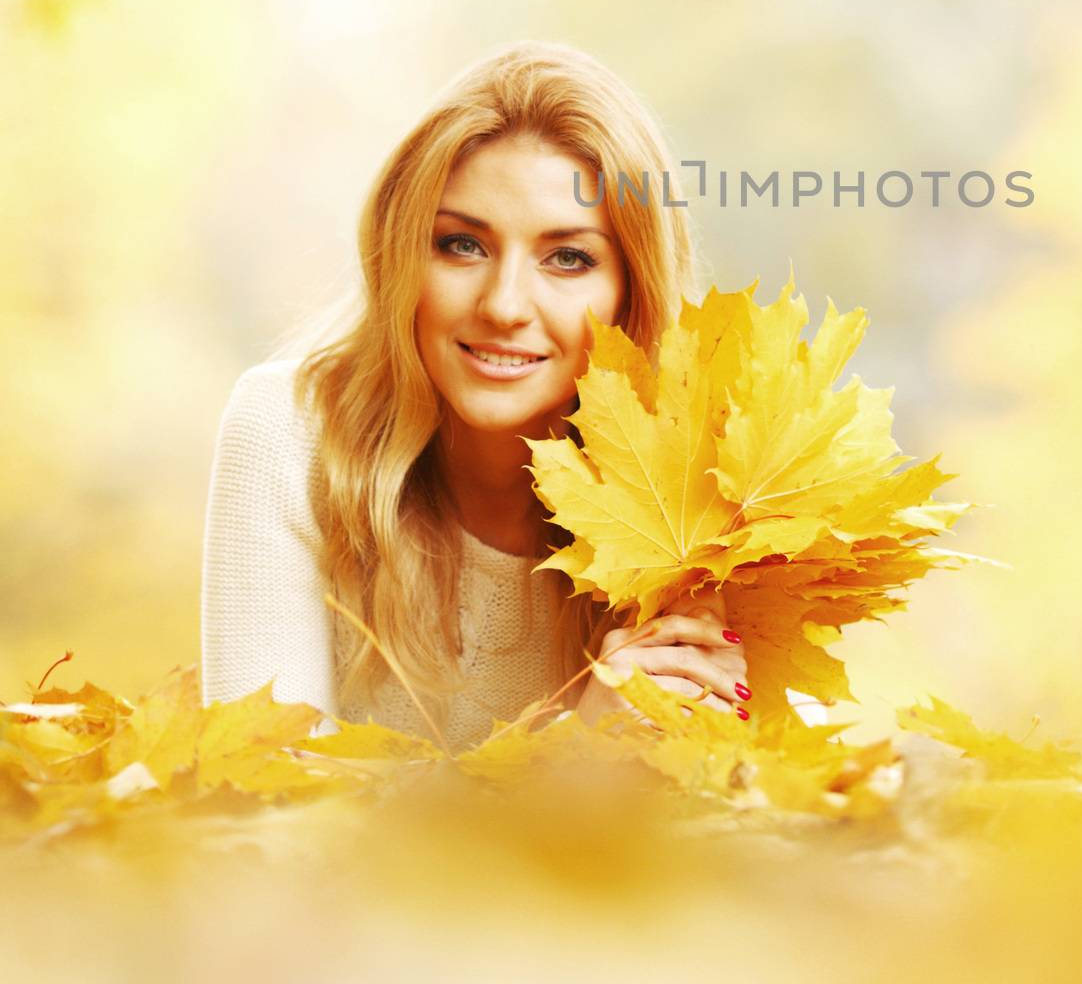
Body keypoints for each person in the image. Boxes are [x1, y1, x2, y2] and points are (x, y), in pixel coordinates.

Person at [200, 41, 751, 750]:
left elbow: (765, 828)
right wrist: (573, 760)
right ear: (401, 252)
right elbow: (264, 813)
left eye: (568, 258)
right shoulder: (290, 435)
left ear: (629, 293)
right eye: (462, 245)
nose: (504, 305)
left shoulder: (717, 498)